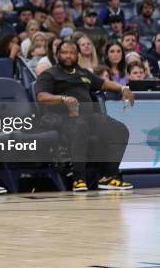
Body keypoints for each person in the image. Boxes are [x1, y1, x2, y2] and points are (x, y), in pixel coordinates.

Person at [35, 40, 134, 191]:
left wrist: (123, 88)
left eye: (72, 53)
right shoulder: (49, 74)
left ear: (77, 55)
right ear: (57, 55)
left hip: (90, 117)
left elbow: (103, 84)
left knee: (120, 130)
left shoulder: (83, 73)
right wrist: (62, 98)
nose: (68, 56)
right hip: (63, 118)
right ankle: (78, 179)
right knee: (80, 126)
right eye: (64, 53)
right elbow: (41, 96)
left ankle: (108, 177)